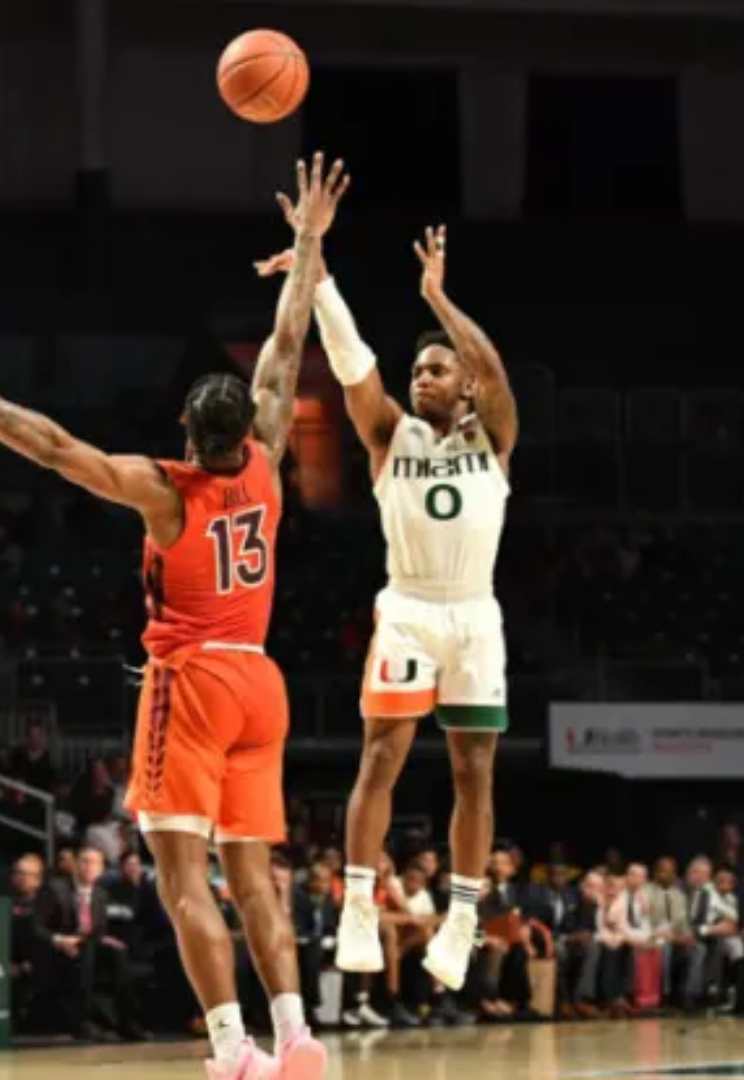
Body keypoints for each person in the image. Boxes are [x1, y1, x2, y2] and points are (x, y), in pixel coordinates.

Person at [0, 153, 349, 1080]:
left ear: (189, 433)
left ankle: (233, 1053)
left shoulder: (163, 490)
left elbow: (52, 445)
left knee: (184, 881)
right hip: (263, 680)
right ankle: (296, 1038)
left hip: (195, 681)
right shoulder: (265, 452)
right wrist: (306, 240)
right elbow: (288, 334)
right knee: (255, 874)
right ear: (246, 428)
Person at [274, 217, 519, 993]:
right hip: (410, 606)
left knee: (473, 769)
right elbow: (352, 368)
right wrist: (321, 280)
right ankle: (354, 903)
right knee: (381, 755)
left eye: (438, 369)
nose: (424, 376)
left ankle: (462, 917)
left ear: (466, 386)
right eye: (419, 368)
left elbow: (494, 368)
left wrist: (440, 302)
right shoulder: (388, 434)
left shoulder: (496, 436)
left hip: (475, 616)